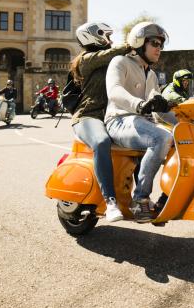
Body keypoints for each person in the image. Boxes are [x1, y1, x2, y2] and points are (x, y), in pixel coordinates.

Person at [105, 21, 174, 222]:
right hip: (118, 120)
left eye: (161, 44)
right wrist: (139, 104)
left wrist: (188, 122)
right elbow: (115, 91)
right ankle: (140, 198)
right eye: (154, 43)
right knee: (161, 138)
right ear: (139, 42)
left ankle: (165, 198)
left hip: (141, 124)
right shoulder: (120, 62)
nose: (159, 48)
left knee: (181, 141)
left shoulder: (151, 74)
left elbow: (160, 109)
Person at [70, 21, 131, 222]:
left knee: (143, 143)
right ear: (91, 36)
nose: (110, 40)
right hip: (88, 116)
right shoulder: (86, 60)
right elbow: (109, 54)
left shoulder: (112, 61)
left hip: (110, 118)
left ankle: (141, 198)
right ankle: (111, 201)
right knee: (101, 142)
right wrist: (132, 43)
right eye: (105, 35)